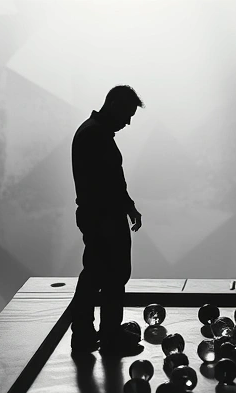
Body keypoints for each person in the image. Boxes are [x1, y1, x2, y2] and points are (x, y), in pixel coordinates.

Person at [69, 85, 144, 356]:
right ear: (114, 106)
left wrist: (128, 205)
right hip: (103, 218)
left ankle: (90, 334)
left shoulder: (94, 132)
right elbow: (107, 184)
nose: (128, 122)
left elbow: (111, 180)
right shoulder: (94, 135)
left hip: (102, 216)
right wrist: (120, 210)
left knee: (100, 274)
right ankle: (104, 336)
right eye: (127, 114)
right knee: (106, 276)